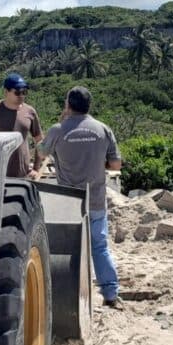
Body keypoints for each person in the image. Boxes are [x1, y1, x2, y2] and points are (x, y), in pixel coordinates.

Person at [32, 86, 124, 310]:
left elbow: (42, 152)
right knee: (100, 247)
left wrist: (61, 123)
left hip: (69, 202)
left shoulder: (58, 129)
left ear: (68, 104)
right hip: (95, 200)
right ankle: (111, 294)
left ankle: (67, 295)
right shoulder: (103, 129)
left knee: (67, 249)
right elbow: (115, 165)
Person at [0, 72, 43, 178]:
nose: (22, 95)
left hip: (23, 175)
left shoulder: (30, 112)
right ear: (6, 92)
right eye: (18, 92)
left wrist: (36, 168)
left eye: (24, 92)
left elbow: (39, 141)